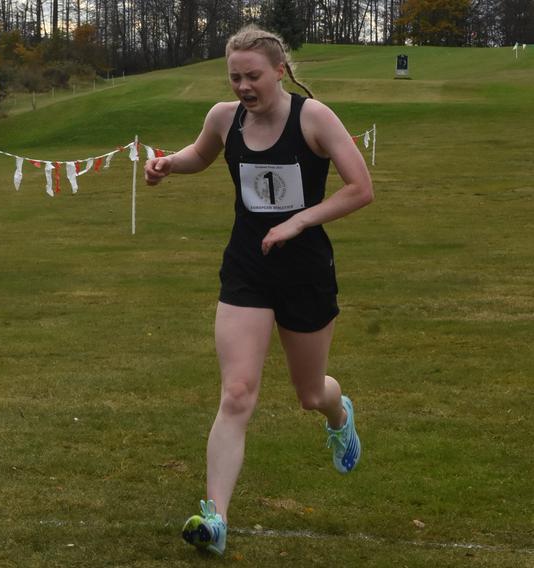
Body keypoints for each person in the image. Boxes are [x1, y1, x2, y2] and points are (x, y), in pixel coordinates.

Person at [143, 25, 374, 556]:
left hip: (306, 272)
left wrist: (298, 223)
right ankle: (214, 517)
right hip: (247, 269)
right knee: (237, 393)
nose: (243, 86)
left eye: (253, 76)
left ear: (278, 71)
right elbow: (201, 155)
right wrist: (167, 166)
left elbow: (361, 188)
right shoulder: (224, 118)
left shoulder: (313, 118)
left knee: (309, 394)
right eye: (235, 77)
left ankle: (339, 415)